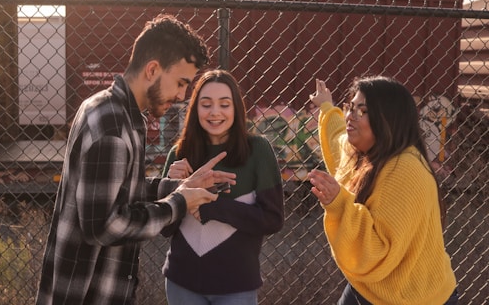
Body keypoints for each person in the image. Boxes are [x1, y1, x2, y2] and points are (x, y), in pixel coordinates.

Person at [36, 14, 237, 305]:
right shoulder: (113, 128)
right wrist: (180, 204)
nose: (182, 95)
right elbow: (104, 226)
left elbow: (115, 191)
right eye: (181, 83)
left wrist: (179, 187)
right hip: (88, 295)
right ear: (153, 69)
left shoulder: (111, 110)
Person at [308, 76, 458, 305]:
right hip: (375, 287)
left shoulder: (404, 169)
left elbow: (379, 250)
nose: (350, 116)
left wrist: (339, 203)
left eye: (363, 111)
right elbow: (339, 141)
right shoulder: (366, 154)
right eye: (351, 108)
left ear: (388, 118)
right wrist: (327, 106)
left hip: (414, 297)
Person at [161, 69, 285, 305]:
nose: (215, 112)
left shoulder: (258, 150)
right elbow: (164, 229)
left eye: (224, 104)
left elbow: (273, 219)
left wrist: (214, 207)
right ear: (195, 109)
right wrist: (172, 187)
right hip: (181, 284)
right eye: (206, 104)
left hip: (236, 286)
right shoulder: (178, 154)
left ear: (236, 108)